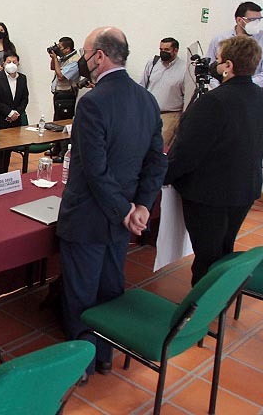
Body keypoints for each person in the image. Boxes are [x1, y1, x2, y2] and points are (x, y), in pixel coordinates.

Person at [56, 27, 167, 379]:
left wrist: (126, 210)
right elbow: (157, 160)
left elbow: (95, 171)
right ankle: (104, 356)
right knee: (110, 287)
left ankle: (81, 365)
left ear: (99, 56)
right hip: (123, 219)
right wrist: (141, 206)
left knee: (81, 293)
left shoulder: (92, 102)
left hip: (89, 216)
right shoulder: (146, 99)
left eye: (85, 53)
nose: (82, 60)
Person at [164, 36, 263, 285]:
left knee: (207, 256)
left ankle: (201, 305)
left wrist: (163, 176)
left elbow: (187, 152)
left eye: (219, 60)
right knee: (224, 247)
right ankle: (220, 295)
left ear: (228, 66)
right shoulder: (260, 96)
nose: (215, 64)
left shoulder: (213, 101)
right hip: (244, 188)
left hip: (210, 194)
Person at [207, 1, 263, 91]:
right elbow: (210, 68)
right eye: (252, 20)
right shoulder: (220, 39)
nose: (256, 23)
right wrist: (219, 88)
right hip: (222, 90)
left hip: (254, 91)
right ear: (239, 20)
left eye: (259, 19)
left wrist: (241, 85)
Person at [0, 53, 28, 175]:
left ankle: (4, 175)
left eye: (14, 62)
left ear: (18, 64)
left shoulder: (22, 78)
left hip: (14, 122)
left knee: (8, 151)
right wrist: (9, 112)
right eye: (9, 62)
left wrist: (17, 113)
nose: (12, 64)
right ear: (3, 64)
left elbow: (25, 98)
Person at [140, 37, 185, 144]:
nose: (163, 52)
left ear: (175, 50)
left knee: (160, 147)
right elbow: (142, 86)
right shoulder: (153, 63)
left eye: (167, 50)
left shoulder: (184, 69)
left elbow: (186, 96)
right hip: (149, 113)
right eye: (161, 49)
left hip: (169, 116)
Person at [50, 36, 81, 122]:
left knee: (63, 122)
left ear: (67, 49)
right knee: (57, 121)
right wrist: (54, 58)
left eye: (60, 48)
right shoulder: (64, 58)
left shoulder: (74, 61)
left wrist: (55, 58)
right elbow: (53, 67)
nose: (58, 49)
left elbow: (61, 77)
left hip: (67, 95)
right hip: (59, 94)